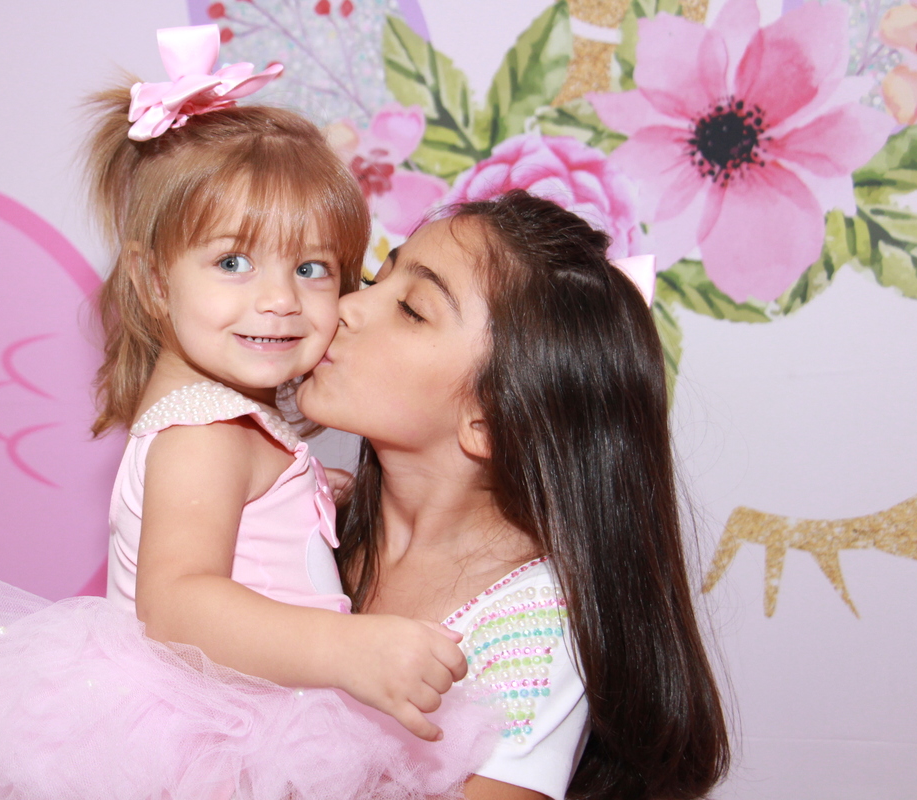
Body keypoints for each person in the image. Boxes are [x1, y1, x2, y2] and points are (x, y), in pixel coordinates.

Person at [0, 25, 494, 800]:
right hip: (228, 733)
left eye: (312, 267)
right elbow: (177, 604)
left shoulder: (212, 417)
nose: (279, 299)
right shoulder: (207, 430)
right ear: (152, 282)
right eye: (232, 262)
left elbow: (237, 539)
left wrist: (308, 500)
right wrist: (349, 649)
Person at [297, 190, 732, 800]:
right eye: (375, 279)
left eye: (413, 310)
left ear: (491, 420)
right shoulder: (306, 516)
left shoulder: (536, 630)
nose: (346, 305)